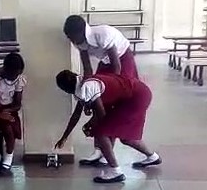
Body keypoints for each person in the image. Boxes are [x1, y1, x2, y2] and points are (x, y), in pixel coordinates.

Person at [54, 70, 161, 183]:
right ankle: (153, 157)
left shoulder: (87, 87)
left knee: (101, 132)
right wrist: (64, 137)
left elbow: (101, 114)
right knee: (125, 137)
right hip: (137, 93)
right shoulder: (81, 84)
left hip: (135, 97)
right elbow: (76, 115)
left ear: (66, 89)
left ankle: (115, 171)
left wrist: (90, 125)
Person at [63, 15, 139, 165]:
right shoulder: (79, 42)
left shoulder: (103, 34)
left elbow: (116, 67)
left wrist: (114, 91)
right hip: (106, 63)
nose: (72, 41)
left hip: (122, 60)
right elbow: (87, 69)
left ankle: (107, 153)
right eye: (69, 38)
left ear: (82, 31)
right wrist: (86, 95)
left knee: (112, 107)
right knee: (100, 105)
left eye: (73, 37)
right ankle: (99, 150)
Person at [0, 53, 26, 172]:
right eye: (13, 74)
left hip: (9, 110)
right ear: (5, 69)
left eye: (18, 74)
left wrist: (6, 111)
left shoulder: (19, 80)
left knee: (8, 127)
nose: (15, 77)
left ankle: (8, 156)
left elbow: (17, 104)